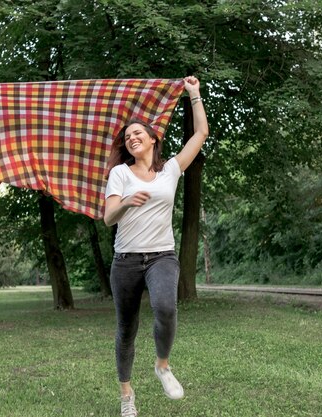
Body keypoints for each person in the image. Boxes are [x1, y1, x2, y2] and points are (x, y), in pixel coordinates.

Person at [103, 76, 209, 417]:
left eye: (138, 133)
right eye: (127, 136)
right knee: (126, 329)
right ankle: (126, 395)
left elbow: (200, 134)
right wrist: (126, 202)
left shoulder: (171, 171)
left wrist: (193, 95)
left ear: (152, 139)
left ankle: (162, 365)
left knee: (165, 307)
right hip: (126, 260)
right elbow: (108, 218)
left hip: (161, 256)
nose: (132, 138)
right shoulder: (120, 173)